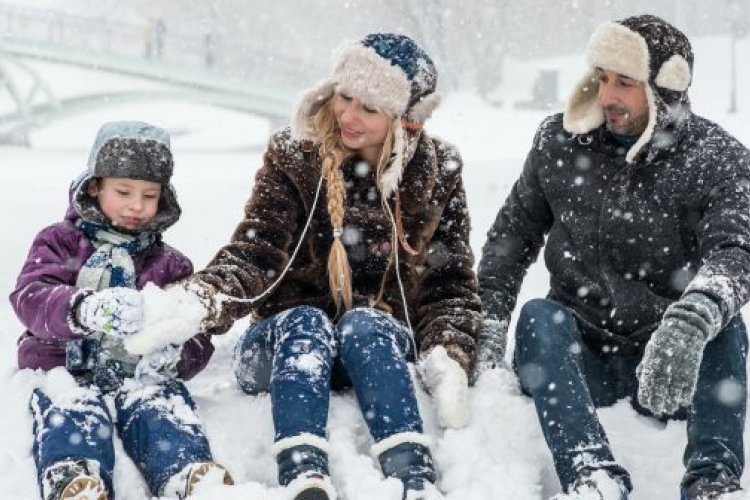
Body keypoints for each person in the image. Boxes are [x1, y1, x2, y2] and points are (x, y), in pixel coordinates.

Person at [167, 33, 481, 500]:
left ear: (406, 122)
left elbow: (449, 280)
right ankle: (304, 474)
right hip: (283, 344)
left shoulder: (439, 170)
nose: (347, 115)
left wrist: (449, 352)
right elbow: (258, 248)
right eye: (344, 96)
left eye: (368, 108)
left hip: (375, 350)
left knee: (365, 324)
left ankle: (413, 475)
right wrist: (205, 296)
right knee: (307, 322)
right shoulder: (296, 155)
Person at [476, 14, 750, 500]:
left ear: (665, 90)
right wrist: (490, 324)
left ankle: (712, 481)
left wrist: (692, 319)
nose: (607, 97)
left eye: (625, 83)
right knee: (539, 317)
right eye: (602, 79)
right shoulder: (558, 143)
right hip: (580, 357)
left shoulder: (717, 158)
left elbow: (736, 248)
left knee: (725, 325)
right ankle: (592, 475)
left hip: (668, 363)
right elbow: (510, 239)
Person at [10, 121, 233, 499]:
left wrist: (177, 354)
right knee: (72, 410)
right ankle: (75, 476)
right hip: (63, 365)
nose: (136, 205)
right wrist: (82, 309)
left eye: (149, 195)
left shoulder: (170, 265)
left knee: (160, 406)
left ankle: (186, 472)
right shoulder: (59, 242)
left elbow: (194, 329)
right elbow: (30, 296)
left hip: (137, 375)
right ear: (95, 186)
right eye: (124, 191)